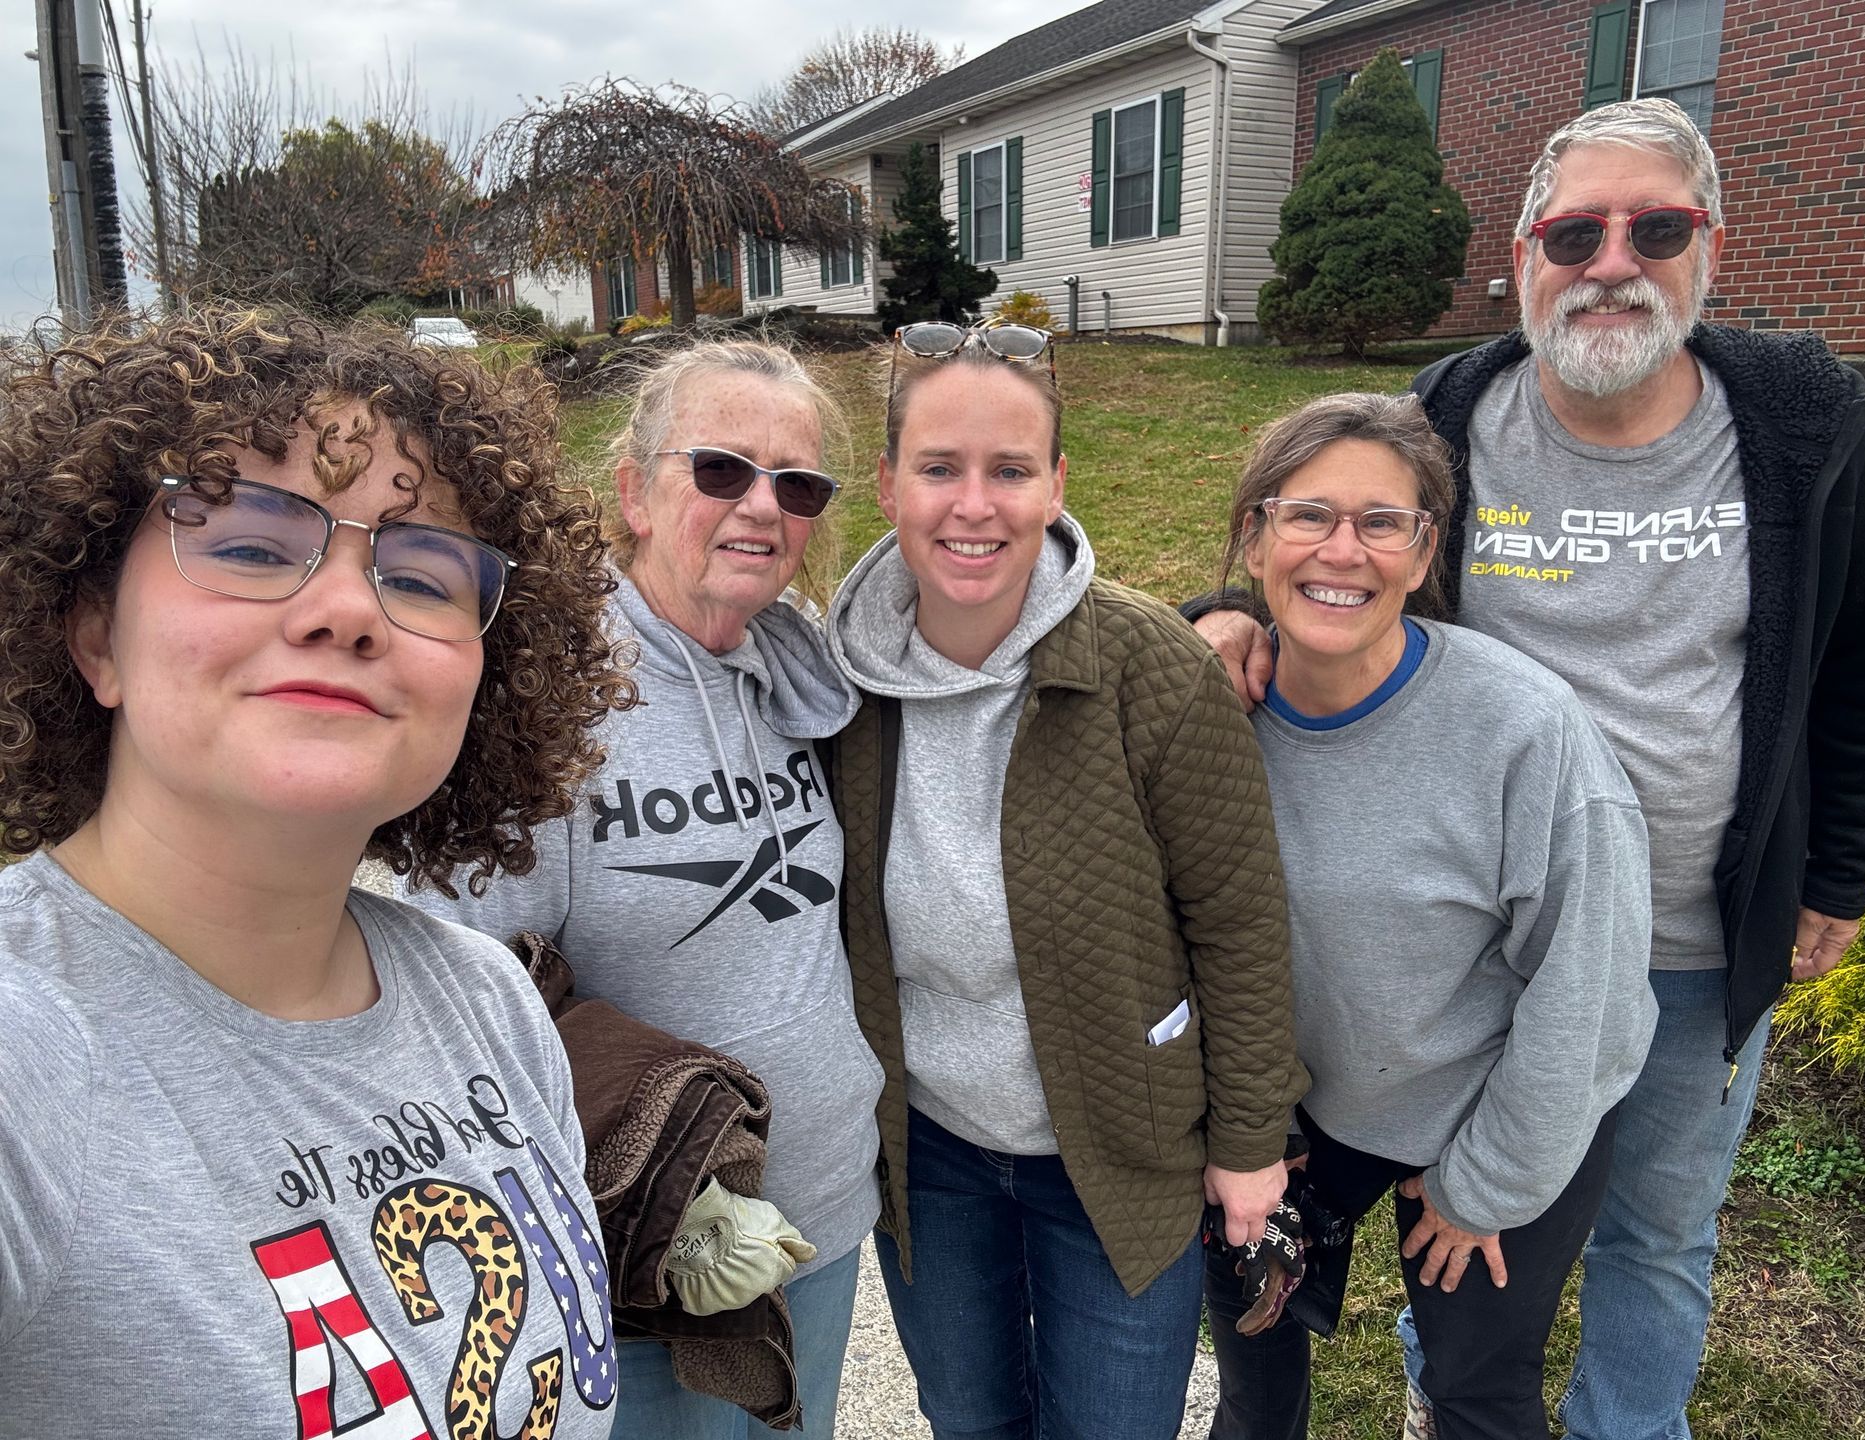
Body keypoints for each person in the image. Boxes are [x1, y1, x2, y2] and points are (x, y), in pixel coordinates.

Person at [1195, 99, 1865, 1440]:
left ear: (1711, 246)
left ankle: (1627, 1425)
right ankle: (1447, 1365)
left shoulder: (1808, 426)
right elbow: (1344, 551)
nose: (1610, 262)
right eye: (1573, 231)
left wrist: (1841, 872)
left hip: (1697, 927)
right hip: (1479, 933)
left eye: (1654, 227)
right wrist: (1221, 613)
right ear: (1523, 253)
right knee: (1464, 1192)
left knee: (1656, 1222)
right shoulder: (1458, 409)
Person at [0, 309, 634, 1439]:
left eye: (424, 572)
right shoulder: (27, 1054)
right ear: (97, 637)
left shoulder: (486, 1003)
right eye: (249, 545)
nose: (346, 609)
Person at [826, 320, 1306, 1440]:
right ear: (890, 482)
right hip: (931, 1148)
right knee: (972, 1419)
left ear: (1057, 484)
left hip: (1117, 1150)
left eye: (1011, 470)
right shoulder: (836, 682)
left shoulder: (1153, 668)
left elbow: (1238, 922)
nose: (973, 505)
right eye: (939, 468)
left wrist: (1246, 1144)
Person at [411, 337, 885, 1440]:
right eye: (720, 470)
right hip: (645, 1254)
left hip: (818, 1218)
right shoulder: (546, 700)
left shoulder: (799, 672)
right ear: (632, 489)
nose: (761, 507)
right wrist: (659, 1192)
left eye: (797, 485)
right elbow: (464, 991)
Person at [1202, 390, 1655, 1440]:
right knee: (1252, 1393)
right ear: (1257, 536)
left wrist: (1485, 1182)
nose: (1342, 550)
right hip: (1294, 1109)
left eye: (1381, 522)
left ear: (1424, 552)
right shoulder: (1209, 715)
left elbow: (1587, 991)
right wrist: (1249, 1123)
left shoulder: (1525, 735)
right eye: (1308, 514)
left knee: (1478, 1397)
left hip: (1489, 1102)